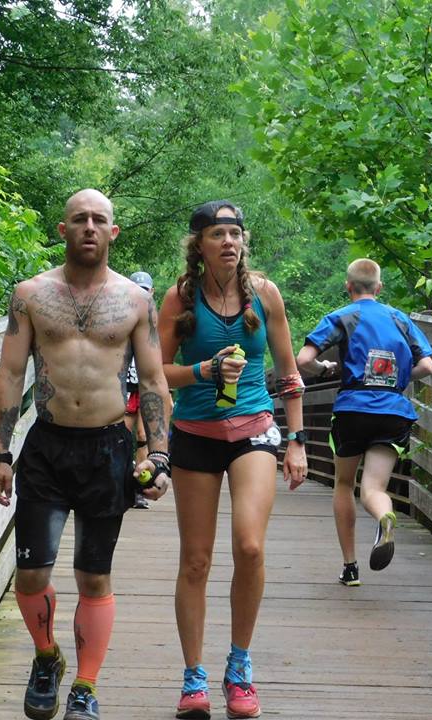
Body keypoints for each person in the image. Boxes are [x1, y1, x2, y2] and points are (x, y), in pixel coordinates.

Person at [0, 189, 172, 720]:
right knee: (31, 576)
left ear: (113, 233)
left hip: (109, 448)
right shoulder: (30, 295)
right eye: (79, 219)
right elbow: (9, 374)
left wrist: (158, 455)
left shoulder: (135, 302)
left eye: (100, 220)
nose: (90, 226)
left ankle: (85, 688)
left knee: (94, 576)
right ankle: (47, 657)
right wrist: (0, 453)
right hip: (47, 446)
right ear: (63, 230)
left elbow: (156, 379)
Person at [157, 200, 307, 720]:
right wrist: (202, 370)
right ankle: (193, 677)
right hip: (195, 435)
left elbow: (288, 371)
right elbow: (157, 374)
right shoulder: (180, 299)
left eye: (235, 232)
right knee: (195, 560)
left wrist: (298, 438)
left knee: (249, 545)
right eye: (218, 233)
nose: (228, 241)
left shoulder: (264, 294)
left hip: (254, 429)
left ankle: (239, 667)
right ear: (199, 243)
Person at [296, 258, 432, 587]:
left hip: (353, 410)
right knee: (374, 488)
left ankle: (350, 567)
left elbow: (303, 360)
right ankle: (384, 516)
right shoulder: (400, 319)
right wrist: (400, 378)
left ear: (348, 286)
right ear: (379, 288)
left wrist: (326, 369)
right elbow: (428, 367)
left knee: (344, 484)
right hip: (393, 412)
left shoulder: (343, 317)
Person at [125, 270, 157, 509]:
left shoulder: (156, 319)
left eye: (144, 290)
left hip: (145, 387)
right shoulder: (121, 313)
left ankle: (139, 489)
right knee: (124, 436)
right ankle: (120, 486)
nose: (141, 295)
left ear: (151, 292)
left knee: (143, 437)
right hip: (124, 385)